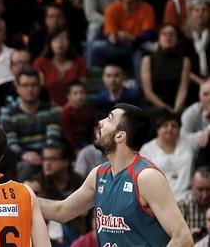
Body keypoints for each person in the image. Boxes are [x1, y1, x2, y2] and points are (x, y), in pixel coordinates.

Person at [38, 103, 194, 246]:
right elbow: (62, 211)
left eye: (109, 119)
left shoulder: (146, 177)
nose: (101, 122)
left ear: (120, 136)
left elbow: (183, 238)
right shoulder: (98, 175)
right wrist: (22, 197)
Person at [0, 68, 62, 181]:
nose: (30, 89)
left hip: (48, 157)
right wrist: (25, 155)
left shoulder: (52, 110)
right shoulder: (8, 115)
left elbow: (53, 139)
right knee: (26, 166)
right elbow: (12, 144)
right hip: (21, 159)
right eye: (25, 85)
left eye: (34, 85)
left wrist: (43, 157)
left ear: (40, 86)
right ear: (18, 88)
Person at [140, 114, 210, 201]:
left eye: (174, 126)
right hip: (159, 199)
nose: (170, 129)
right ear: (157, 129)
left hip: (188, 198)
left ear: (179, 129)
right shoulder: (146, 149)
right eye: (165, 126)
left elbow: (204, 134)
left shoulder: (187, 141)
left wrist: (208, 129)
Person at [140, 23, 191, 115]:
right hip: (154, 105)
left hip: (177, 104)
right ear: (158, 39)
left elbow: (183, 89)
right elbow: (148, 92)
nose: (168, 37)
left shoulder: (185, 61)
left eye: (172, 34)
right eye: (164, 34)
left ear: (177, 40)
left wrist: (176, 108)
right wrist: (164, 107)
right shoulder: (147, 60)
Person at [33, 26, 88, 106]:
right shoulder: (40, 62)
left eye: (64, 39)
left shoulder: (79, 62)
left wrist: (68, 106)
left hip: (74, 106)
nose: (60, 43)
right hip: (47, 107)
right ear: (50, 42)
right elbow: (39, 89)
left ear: (70, 42)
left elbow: (81, 89)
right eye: (56, 39)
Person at [178, 167, 210, 236]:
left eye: (208, 190)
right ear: (192, 186)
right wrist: (189, 236)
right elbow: (176, 236)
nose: (204, 195)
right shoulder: (182, 206)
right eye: (200, 189)